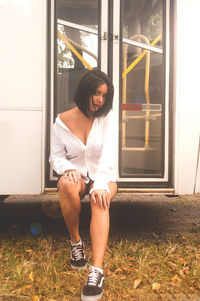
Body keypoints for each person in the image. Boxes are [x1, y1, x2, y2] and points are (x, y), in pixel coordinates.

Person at [49, 70, 117, 301]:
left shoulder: (107, 119)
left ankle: (96, 270)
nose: (100, 100)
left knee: (100, 199)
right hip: (77, 175)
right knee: (66, 186)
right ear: (84, 91)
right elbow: (55, 157)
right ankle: (76, 243)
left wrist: (99, 185)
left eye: (104, 96)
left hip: (103, 174)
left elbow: (109, 155)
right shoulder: (62, 121)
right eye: (96, 93)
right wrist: (69, 169)